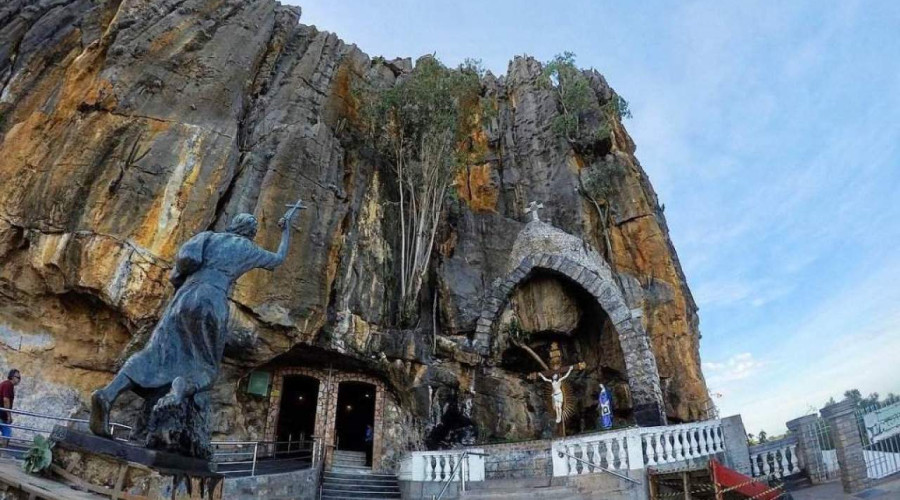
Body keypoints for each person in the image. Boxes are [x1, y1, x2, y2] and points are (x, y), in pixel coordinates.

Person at [90, 205, 303, 443]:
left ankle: (109, 394)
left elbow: (183, 264)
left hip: (187, 293)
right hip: (214, 300)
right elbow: (278, 259)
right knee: (206, 366)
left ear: (234, 225)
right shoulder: (248, 248)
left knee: (156, 351)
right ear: (251, 232)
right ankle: (180, 388)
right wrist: (286, 231)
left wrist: (183, 282)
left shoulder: (208, 237)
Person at [0, 369, 21, 450]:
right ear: (12, 377)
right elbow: (6, 400)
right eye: (18, 377)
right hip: (1, 414)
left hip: (2, 414)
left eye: (20, 378)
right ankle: (3, 453)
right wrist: (9, 416)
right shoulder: (8, 385)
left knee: (6, 432)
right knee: (7, 433)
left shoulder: (6, 384)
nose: (19, 380)